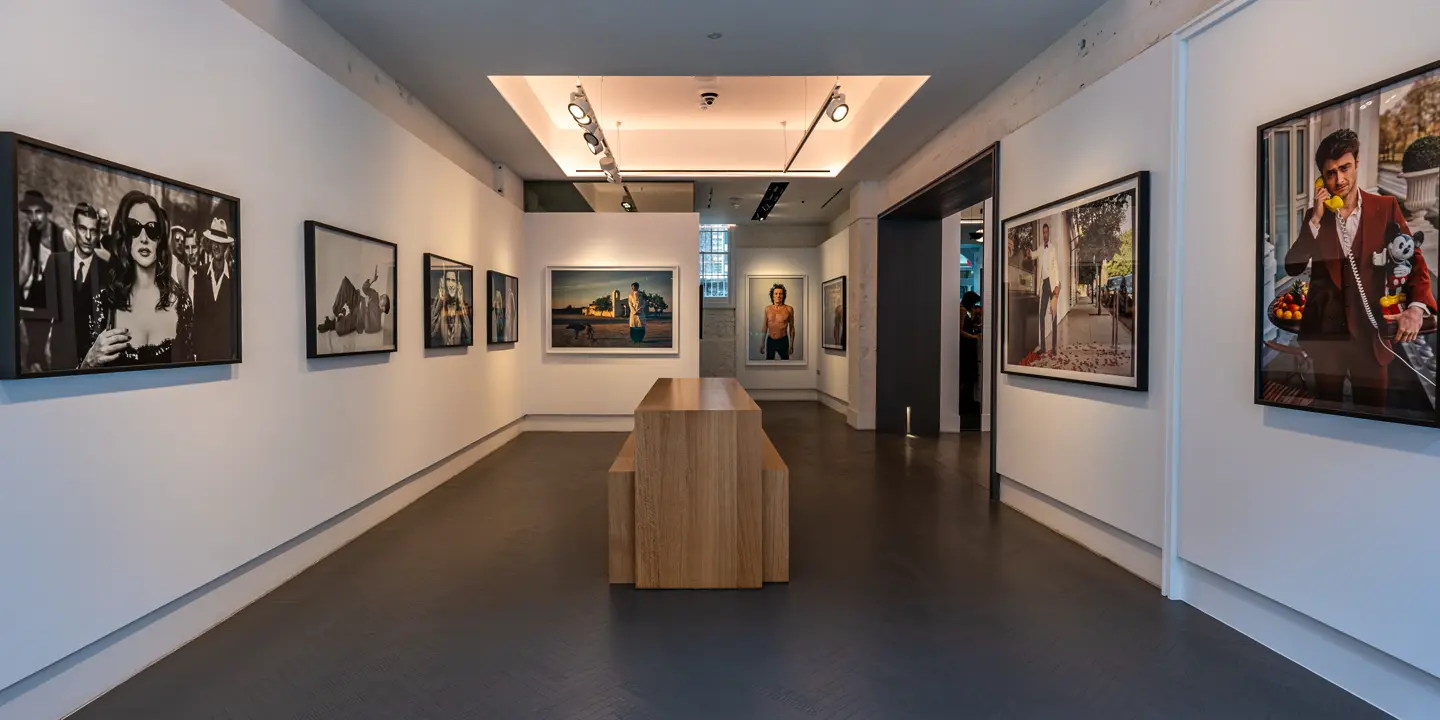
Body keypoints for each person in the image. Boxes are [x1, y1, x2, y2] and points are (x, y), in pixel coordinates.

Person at [1284, 129, 1435, 410]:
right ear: (1322, 177)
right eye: (1330, 173)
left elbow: (1413, 262)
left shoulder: (1385, 207)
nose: (1339, 179)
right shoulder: (1315, 217)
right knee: (1327, 411)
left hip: (1372, 338)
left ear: (1357, 163)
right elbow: (1292, 267)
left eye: (1345, 168)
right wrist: (1314, 221)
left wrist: (1415, 308)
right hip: (1327, 339)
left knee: (1373, 412)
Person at [82, 191, 194, 368]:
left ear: (161, 238)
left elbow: (190, 376)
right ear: (124, 235)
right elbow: (75, 385)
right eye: (134, 228)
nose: (144, 239)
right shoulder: (103, 303)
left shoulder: (182, 303)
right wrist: (89, 362)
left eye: (152, 229)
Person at [46, 203, 110, 370]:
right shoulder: (55, 263)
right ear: (73, 227)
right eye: (82, 229)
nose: (88, 236)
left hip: (93, 363)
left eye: (93, 230)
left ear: (98, 232)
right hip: (59, 361)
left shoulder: (106, 270)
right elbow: (48, 314)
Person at [192, 216, 236, 361]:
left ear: (225, 247)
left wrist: (234, 352)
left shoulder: (234, 278)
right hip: (204, 354)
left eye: (220, 243)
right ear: (210, 245)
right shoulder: (201, 273)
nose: (216, 247)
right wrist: (196, 350)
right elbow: (197, 315)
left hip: (225, 354)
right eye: (213, 242)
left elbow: (235, 320)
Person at [317, 266, 390, 337]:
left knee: (339, 329)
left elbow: (367, 329)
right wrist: (372, 280)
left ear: (384, 308)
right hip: (357, 301)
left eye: (384, 298)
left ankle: (337, 319)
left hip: (357, 317)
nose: (382, 296)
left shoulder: (377, 323)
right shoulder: (375, 296)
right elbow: (364, 288)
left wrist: (367, 306)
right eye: (383, 296)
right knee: (345, 283)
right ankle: (331, 317)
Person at [430, 269, 471, 346]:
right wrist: (440, 300)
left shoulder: (460, 308)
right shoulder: (439, 307)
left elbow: (469, 335)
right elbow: (431, 332)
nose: (451, 285)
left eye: (453, 280)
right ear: (444, 283)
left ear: (458, 285)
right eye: (448, 280)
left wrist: (461, 302)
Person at [1037, 223, 1061, 355]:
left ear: (1049, 233)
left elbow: (1056, 266)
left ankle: (1054, 347)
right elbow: (1034, 255)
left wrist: (1057, 285)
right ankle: (1043, 347)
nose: (1045, 234)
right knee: (1041, 315)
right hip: (1044, 284)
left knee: (1053, 315)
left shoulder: (1052, 248)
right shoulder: (1041, 248)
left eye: (1046, 232)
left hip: (1052, 284)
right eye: (1043, 232)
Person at [760, 283, 796, 360]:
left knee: (785, 363)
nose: (778, 296)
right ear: (772, 295)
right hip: (771, 340)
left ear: (783, 296)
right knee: (769, 364)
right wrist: (762, 342)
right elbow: (765, 326)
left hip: (783, 340)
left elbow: (792, 328)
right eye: (776, 293)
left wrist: (791, 344)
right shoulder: (768, 309)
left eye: (780, 294)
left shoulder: (789, 309)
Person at [960, 290, 983, 409]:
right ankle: (966, 403)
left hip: (966, 345)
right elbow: (960, 331)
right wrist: (974, 336)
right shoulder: (962, 310)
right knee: (967, 373)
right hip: (966, 346)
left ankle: (967, 401)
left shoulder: (964, 310)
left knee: (967, 373)